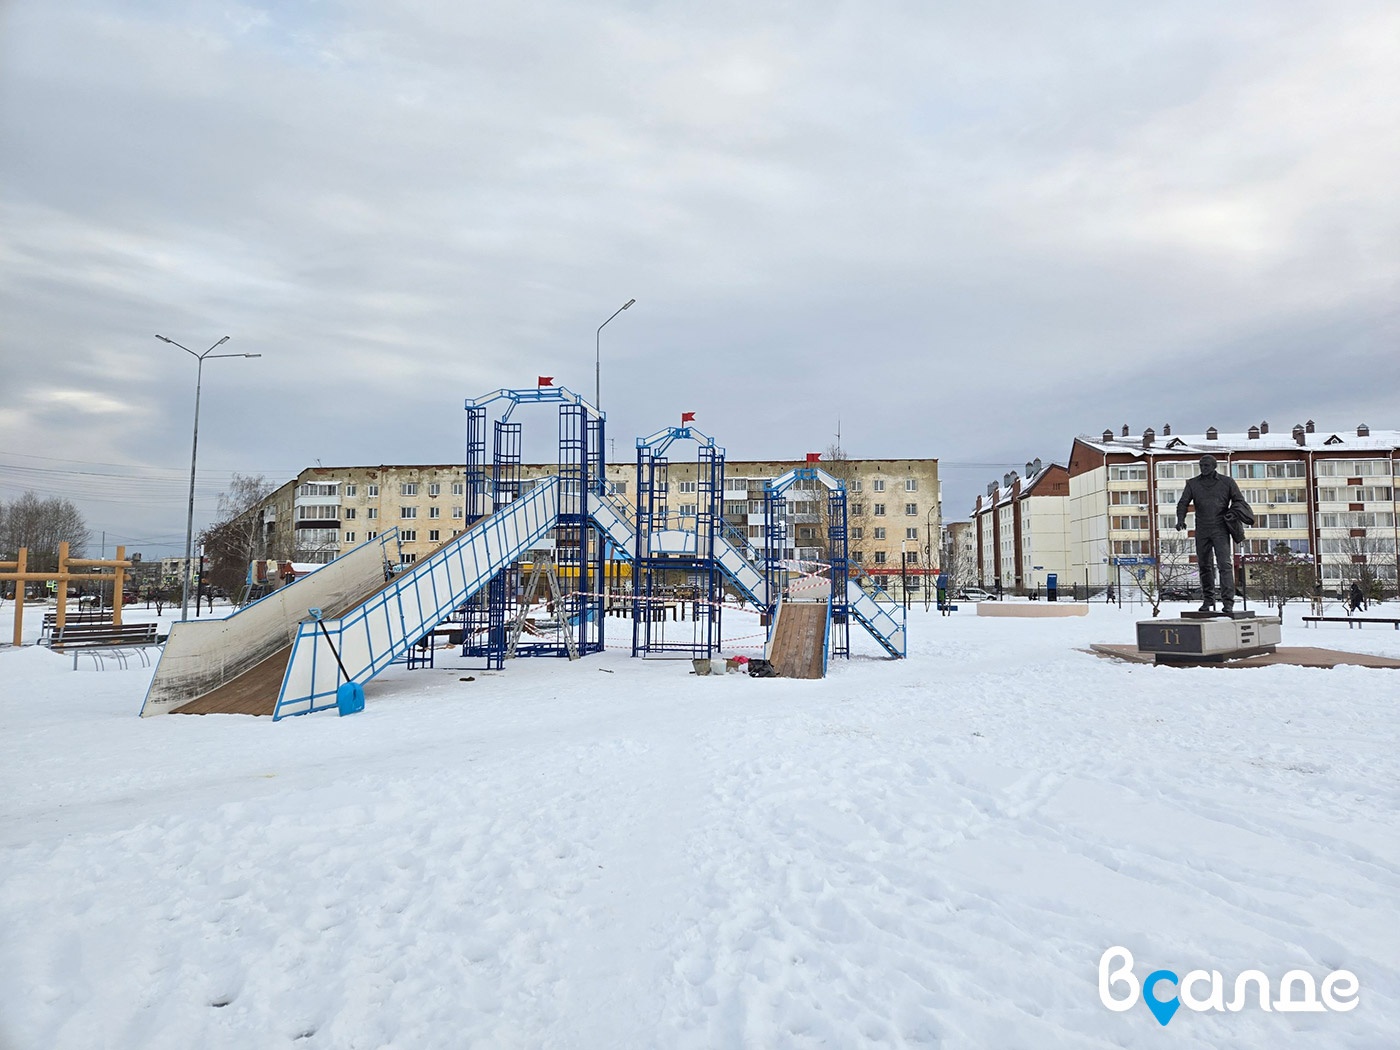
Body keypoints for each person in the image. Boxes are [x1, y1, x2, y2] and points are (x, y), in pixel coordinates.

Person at [1176, 454, 1253, 614]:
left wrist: (1233, 512)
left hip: (1220, 528)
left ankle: (1228, 602)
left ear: (1214, 466)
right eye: (1201, 465)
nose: (1203, 468)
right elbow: (1183, 502)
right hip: (1202, 529)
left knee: (1224, 565)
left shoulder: (1227, 482)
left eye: (1206, 466)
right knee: (1204, 566)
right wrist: (1181, 519)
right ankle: (1208, 599)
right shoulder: (1193, 483)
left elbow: (1239, 500)